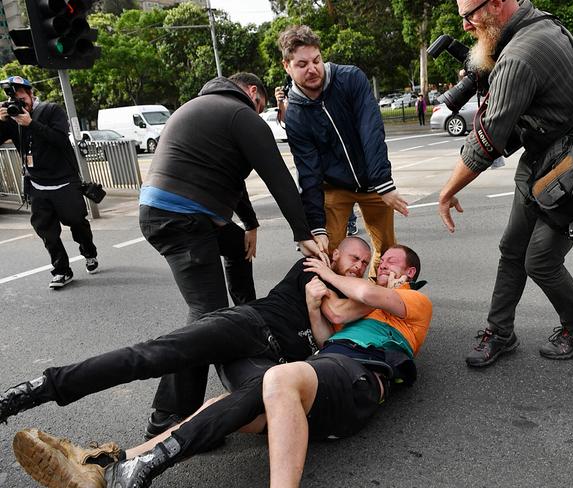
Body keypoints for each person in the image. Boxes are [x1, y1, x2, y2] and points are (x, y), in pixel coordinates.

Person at [8, 245, 433, 488]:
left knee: (240, 397)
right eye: (359, 259)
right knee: (156, 353)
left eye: (377, 262)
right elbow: (331, 329)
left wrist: (336, 288)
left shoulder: (405, 300)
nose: (370, 267)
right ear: (333, 252)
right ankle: (44, 403)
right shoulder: (315, 266)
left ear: (409, 273)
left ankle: (123, 464)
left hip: (289, 368)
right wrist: (316, 289)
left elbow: (342, 314)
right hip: (250, 327)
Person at [437, 0, 573, 367]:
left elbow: (487, 142)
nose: (466, 26)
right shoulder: (538, 24)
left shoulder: (520, 55)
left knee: (540, 261)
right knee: (512, 248)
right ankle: (500, 332)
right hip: (545, 158)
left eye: (470, 15)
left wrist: (447, 192)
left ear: (499, 3)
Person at [138, 72, 322, 437]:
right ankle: (167, 416)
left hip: (179, 212)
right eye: (263, 105)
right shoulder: (242, 115)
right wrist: (304, 233)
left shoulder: (206, 109)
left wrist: (249, 225)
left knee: (237, 247)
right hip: (182, 219)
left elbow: (232, 180)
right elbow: (278, 176)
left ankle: (245, 313)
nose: (261, 112)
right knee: (206, 315)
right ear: (253, 93)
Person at [277, 25, 409, 277]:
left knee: (387, 250)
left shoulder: (350, 78)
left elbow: (371, 130)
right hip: (334, 186)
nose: (312, 68)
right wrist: (316, 225)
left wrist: (383, 182)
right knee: (327, 252)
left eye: (316, 60)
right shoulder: (294, 113)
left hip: (372, 181)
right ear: (287, 66)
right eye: (302, 64)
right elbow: (307, 170)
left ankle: (377, 300)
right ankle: (337, 306)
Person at [0, 76, 99, 289]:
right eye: (14, 100)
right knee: (46, 231)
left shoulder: (51, 110)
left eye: (21, 98)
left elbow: (60, 139)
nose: (19, 104)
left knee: (77, 221)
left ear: (30, 93)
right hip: (36, 184)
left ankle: (88, 251)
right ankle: (62, 270)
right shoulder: (11, 119)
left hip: (64, 182)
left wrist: (31, 124)